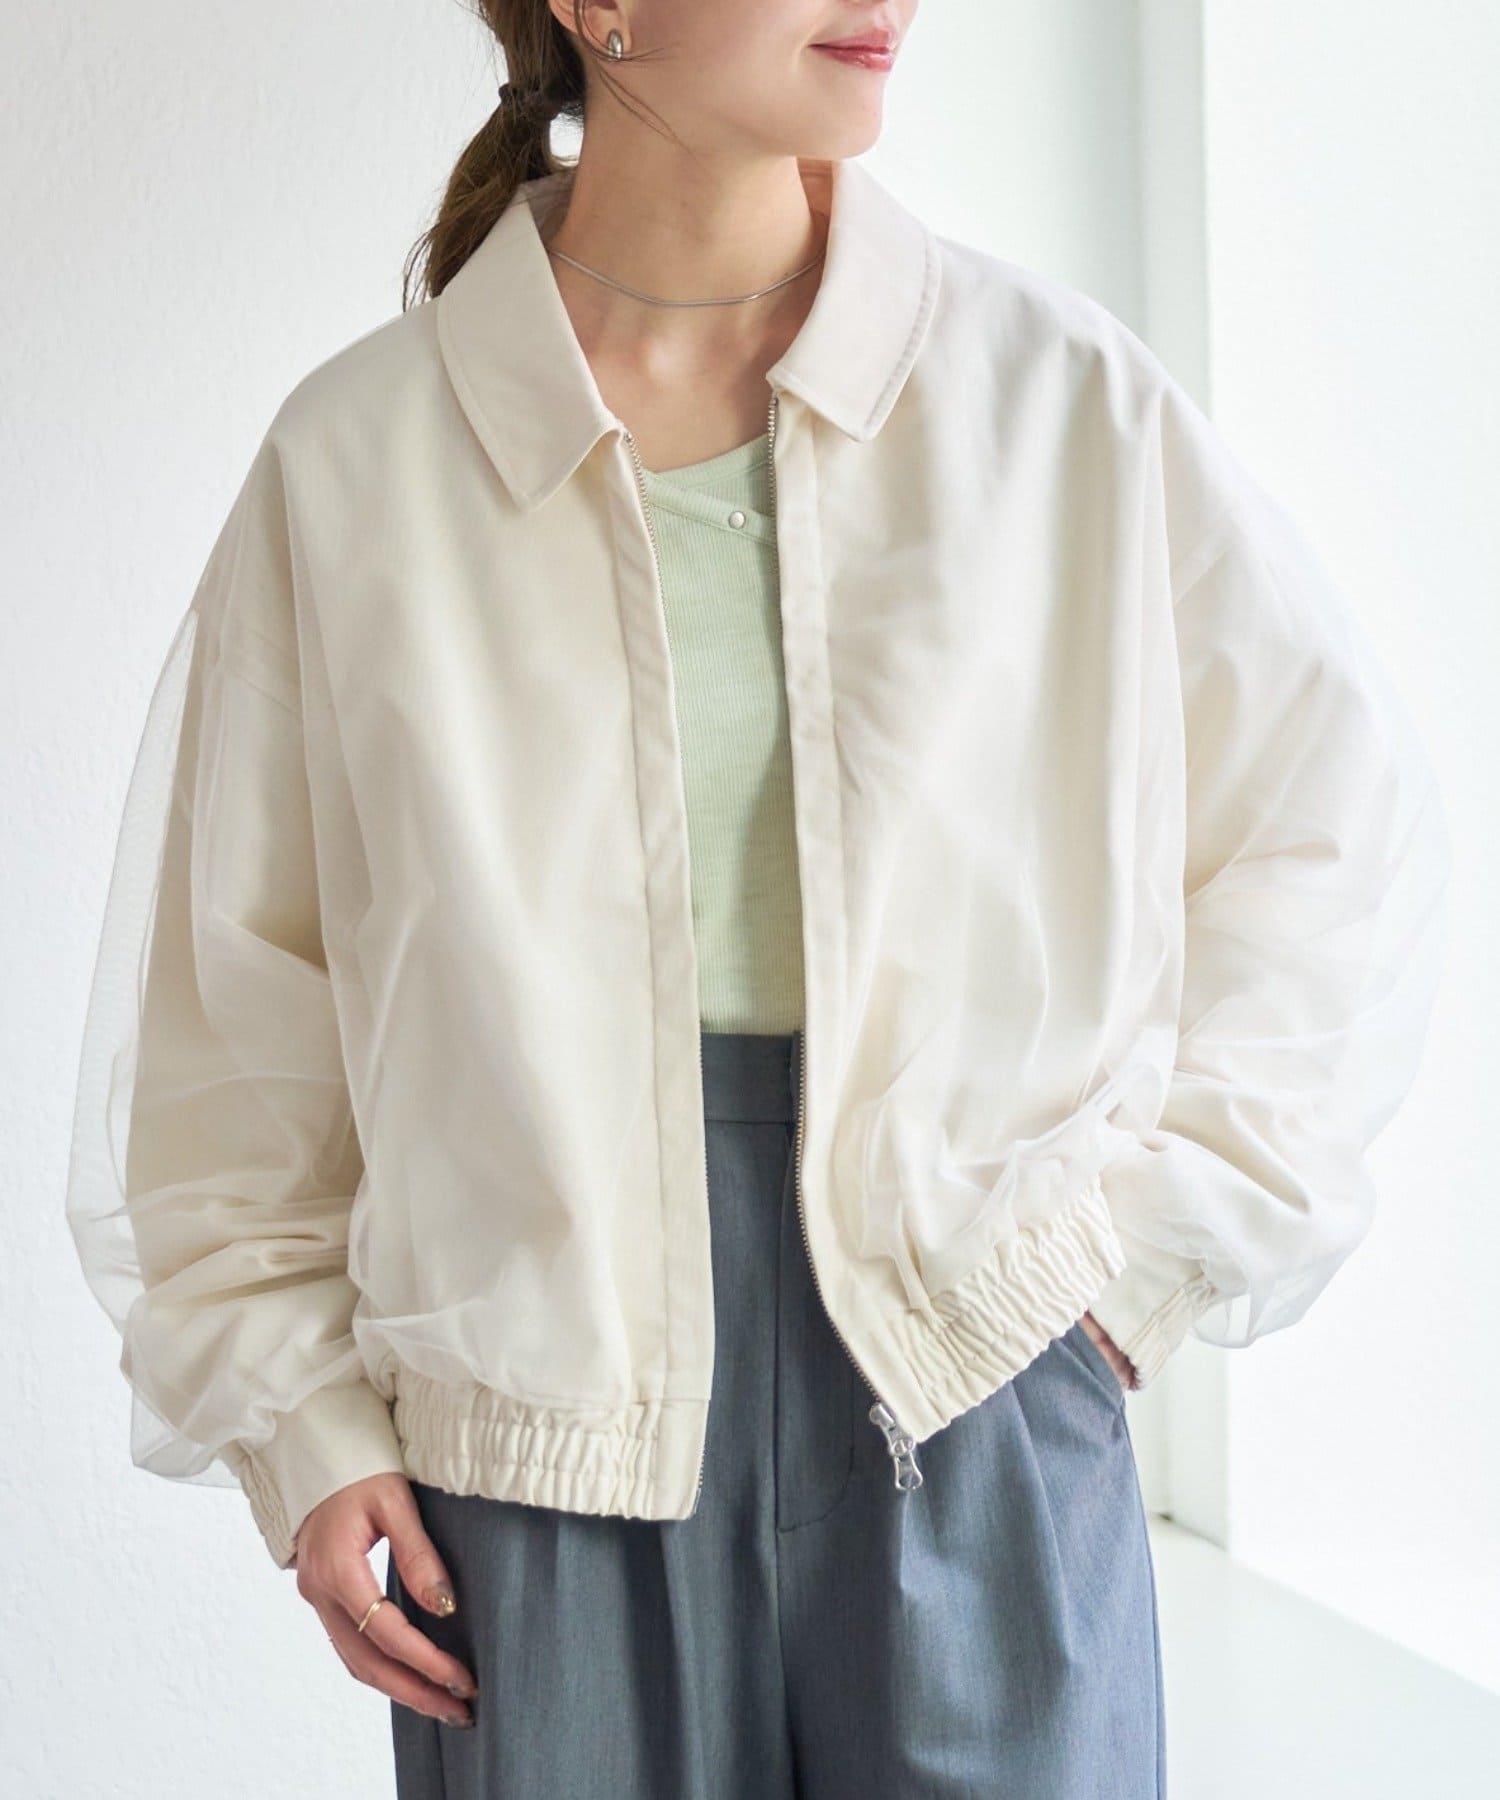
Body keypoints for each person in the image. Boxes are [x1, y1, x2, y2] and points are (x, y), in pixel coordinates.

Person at [63, 2, 1449, 1794]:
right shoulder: (363, 461)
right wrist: (305, 1424)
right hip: (536, 1433)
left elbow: (1329, 828)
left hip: (972, 1376)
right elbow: (236, 1005)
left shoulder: (1052, 403)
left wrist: (1122, 1271)